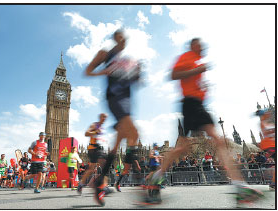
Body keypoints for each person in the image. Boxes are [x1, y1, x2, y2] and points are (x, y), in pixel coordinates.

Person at [147, 38, 263, 205]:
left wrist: (203, 87)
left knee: (210, 142)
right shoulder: (186, 57)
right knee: (192, 145)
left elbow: (193, 82)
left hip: (198, 104)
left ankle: (239, 187)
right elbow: (173, 75)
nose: (203, 47)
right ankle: (240, 187)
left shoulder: (196, 61)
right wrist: (196, 71)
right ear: (193, 45)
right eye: (200, 45)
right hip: (190, 104)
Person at [85, 29, 141, 206]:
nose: (123, 40)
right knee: (134, 133)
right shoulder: (105, 54)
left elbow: (136, 80)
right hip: (114, 98)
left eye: (125, 38)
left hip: (127, 100)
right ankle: (144, 189)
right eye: (120, 37)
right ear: (116, 39)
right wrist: (103, 72)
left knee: (120, 143)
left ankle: (99, 183)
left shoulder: (128, 60)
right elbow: (88, 71)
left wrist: (137, 72)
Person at [77, 113, 108, 194]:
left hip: (99, 149)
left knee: (103, 166)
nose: (104, 119)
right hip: (93, 149)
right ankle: (102, 186)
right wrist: (95, 132)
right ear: (100, 117)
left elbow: (100, 139)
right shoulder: (95, 125)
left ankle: (103, 186)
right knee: (92, 169)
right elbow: (86, 133)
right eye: (103, 117)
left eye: (105, 118)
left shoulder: (102, 128)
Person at [256, 108, 275, 190]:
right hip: (269, 145)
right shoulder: (262, 123)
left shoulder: (268, 122)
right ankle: (273, 183)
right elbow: (265, 133)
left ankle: (273, 184)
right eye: (266, 113)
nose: (269, 114)